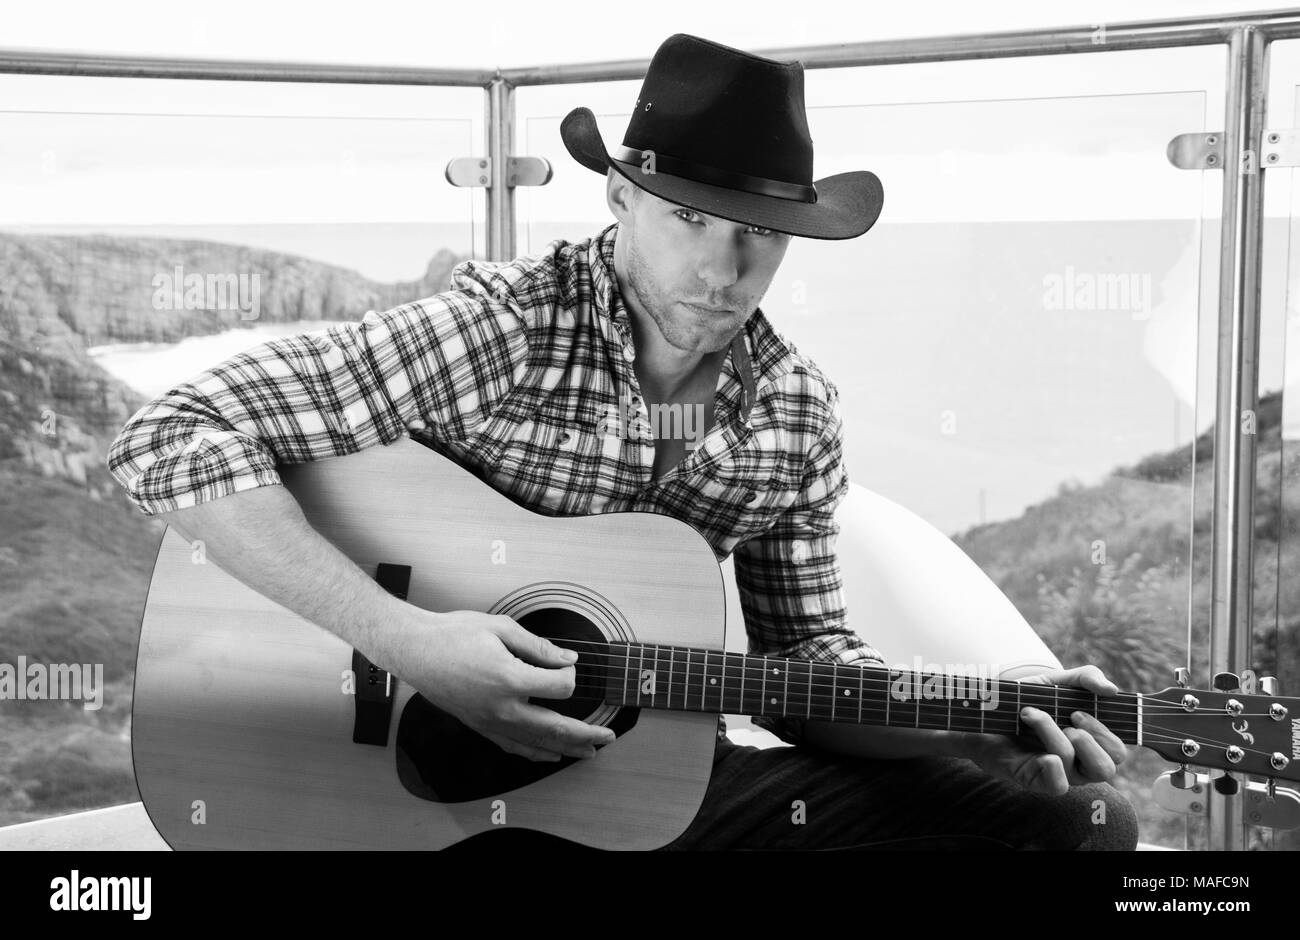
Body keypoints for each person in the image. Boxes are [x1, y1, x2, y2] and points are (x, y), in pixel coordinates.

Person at [106, 33, 1137, 850]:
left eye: (761, 231)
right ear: (621, 195)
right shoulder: (504, 330)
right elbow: (171, 436)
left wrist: (970, 726)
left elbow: (808, 666)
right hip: (395, 781)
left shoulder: (795, 413)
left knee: (1079, 824)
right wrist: (405, 638)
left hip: (625, 787)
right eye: (691, 218)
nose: (726, 266)